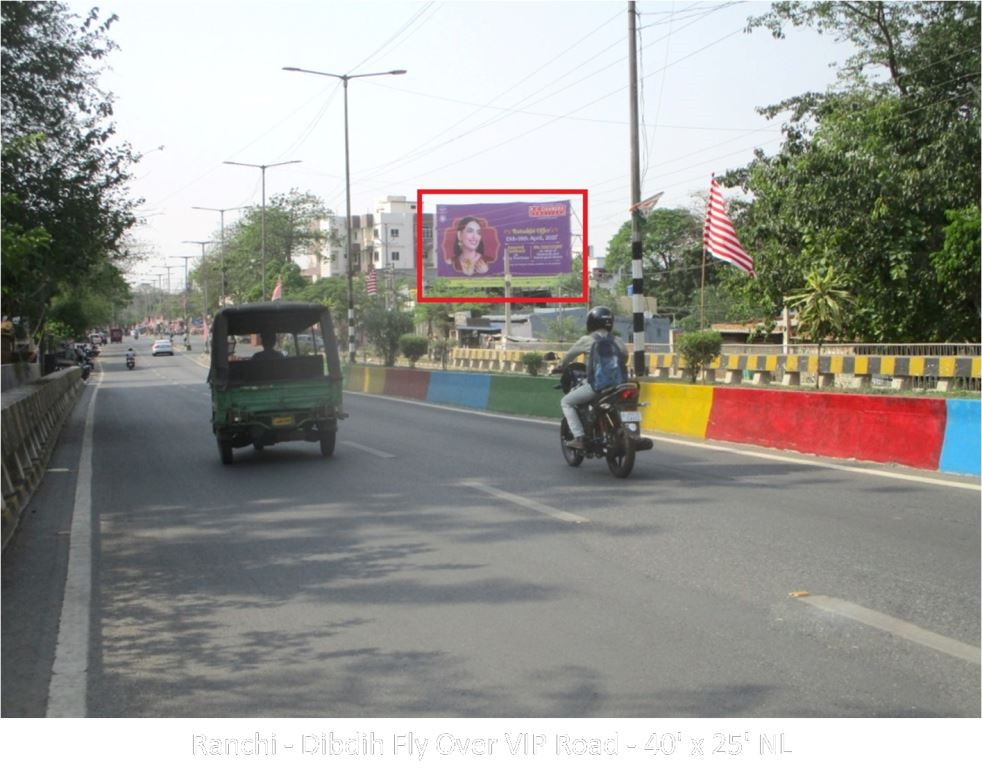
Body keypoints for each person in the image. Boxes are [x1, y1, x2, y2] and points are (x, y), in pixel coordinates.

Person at [556, 306, 628, 450]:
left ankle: (579, 437)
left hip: (598, 385)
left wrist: (560, 366)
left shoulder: (587, 339)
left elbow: (569, 356)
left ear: (591, 322)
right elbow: (624, 358)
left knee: (566, 402)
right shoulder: (618, 340)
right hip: (619, 384)